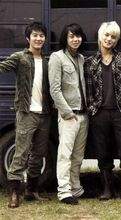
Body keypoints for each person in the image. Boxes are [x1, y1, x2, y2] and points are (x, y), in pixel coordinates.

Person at [0, 22, 53, 208]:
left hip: (45, 114)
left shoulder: (48, 60)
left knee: (38, 154)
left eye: (41, 35)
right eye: (35, 35)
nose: (38, 38)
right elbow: (3, 67)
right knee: (21, 153)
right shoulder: (20, 57)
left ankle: (31, 190)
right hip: (26, 113)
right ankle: (14, 192)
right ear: (28, 38)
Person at [85, 21, 121, 202]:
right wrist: (92, 109)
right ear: (101, 36)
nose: (109, 39)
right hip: (99, 113)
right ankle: (107, 189)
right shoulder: (90, 62)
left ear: (116, 40)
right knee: (102, 151)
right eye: (106, 35)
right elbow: (88, 89)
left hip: (120, 112)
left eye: (113, 37)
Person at [48, 23, 88, 205]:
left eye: (78, 36)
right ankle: (64, 191)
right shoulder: (57, 58)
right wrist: (66, 112)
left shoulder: (81, 58)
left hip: (83, 114)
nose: (75, 39)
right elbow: (55, 90)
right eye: (72, 36)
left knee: (78, 156)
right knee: (65, 154)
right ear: (65, 38)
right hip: (68, 115)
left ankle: (76, 188)